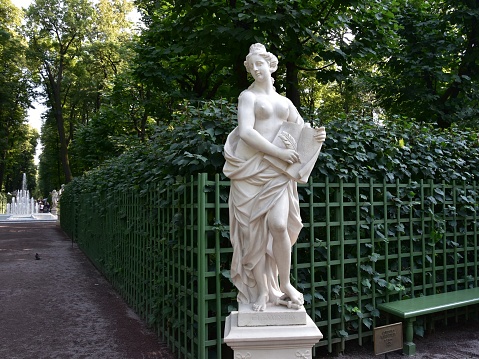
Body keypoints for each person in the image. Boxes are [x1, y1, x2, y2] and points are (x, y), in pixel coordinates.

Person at [223, 43, 326, 311]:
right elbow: (246, 132)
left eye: (260, 64)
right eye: (251, 65)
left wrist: (317, 136)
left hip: (277, 173)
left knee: (279, 225)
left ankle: (285, 284)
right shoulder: (248, 97)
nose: (256, 69)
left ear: (271, 65)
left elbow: (303, 130)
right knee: (253, 232)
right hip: (250, 170)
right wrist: (280, 153)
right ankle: (261, 293)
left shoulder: (285, 102)